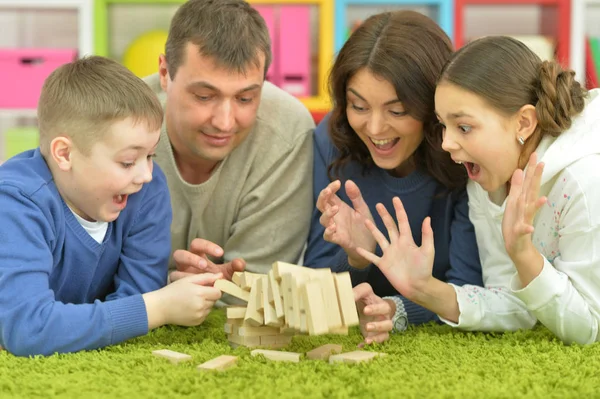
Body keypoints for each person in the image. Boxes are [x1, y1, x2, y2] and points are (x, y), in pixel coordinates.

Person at [359, 35, 600, 345]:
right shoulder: (486, 178)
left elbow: (589, 327)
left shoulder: (584, 180)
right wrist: (424, 289)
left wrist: (524, 255)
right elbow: (515, 303)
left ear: (524, 123)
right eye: (443, 125)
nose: (446, 143)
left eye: (464, 127)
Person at [0, 56, 223, 357]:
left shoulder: (147, 190)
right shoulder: (17, 202)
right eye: (128, 161)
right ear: (64, 154)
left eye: (150, 156)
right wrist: (160, 306)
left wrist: (157, 300)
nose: (145, 174)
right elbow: (28, 329)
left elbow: (134, 300)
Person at [303, 11, 483, 346]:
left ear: (433, 106)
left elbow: (471, 291)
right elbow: (319, 279)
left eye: (396, 111)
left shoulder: (461, 154)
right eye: (358, 106)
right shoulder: (332, 138)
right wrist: (357, 256)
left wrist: (397, 308)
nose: (374, 129)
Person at [144, 0, 315, 283]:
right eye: (204, 96)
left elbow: (257, 287)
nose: (224, 122)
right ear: (165, 74)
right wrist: (167, 287)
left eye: (245, 98)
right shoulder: (115, 120)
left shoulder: (288, 132)